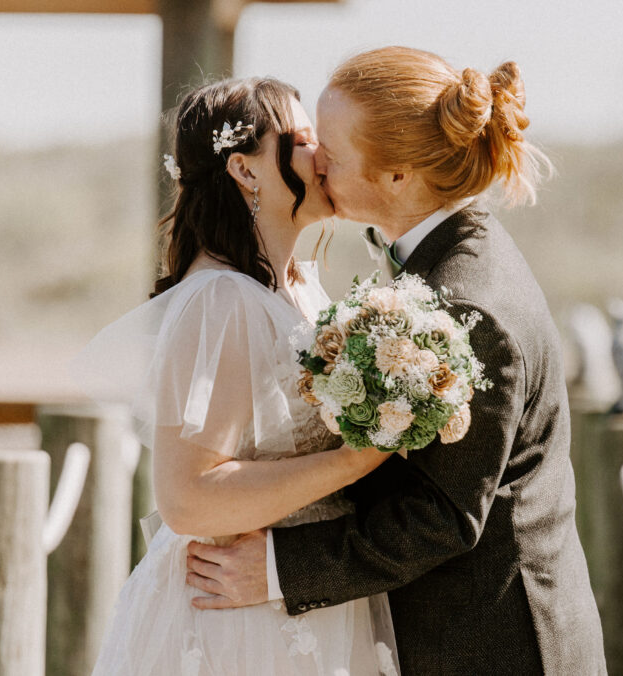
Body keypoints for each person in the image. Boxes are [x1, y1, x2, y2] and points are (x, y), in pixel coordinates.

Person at [185, 47, 607, 674]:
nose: (313, 160)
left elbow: (441, 514)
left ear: (399, 176)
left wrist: (278, 568)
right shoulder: (432, 253)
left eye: (331, 149)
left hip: (493, 645)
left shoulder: (471, 306)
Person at [72, 76, 400, 675]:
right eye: (302, 139)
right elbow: (188, 498)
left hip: (303, 596)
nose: (322, 155)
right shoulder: (220, 300)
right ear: (246, 171)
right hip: (236, 618)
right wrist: (357, 459)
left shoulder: (295, 285)